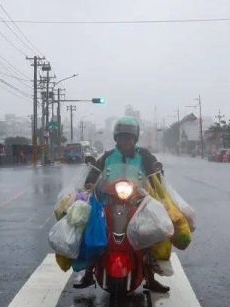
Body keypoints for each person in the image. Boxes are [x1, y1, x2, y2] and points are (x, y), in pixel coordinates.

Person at [73, 116, 170, 293]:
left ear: (135, 139)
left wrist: (157, 175)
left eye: (129, 138)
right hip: (110, 200)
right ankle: (88, 272)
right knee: (95, 229)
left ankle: (151, 278)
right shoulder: (108, 156)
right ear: (116, 139)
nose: (126, 141)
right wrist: (90, 181)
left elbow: (154, 172)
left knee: (149, 233)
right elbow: (95, 172)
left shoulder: (144, 156)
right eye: (122, 137)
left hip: (138, 202)